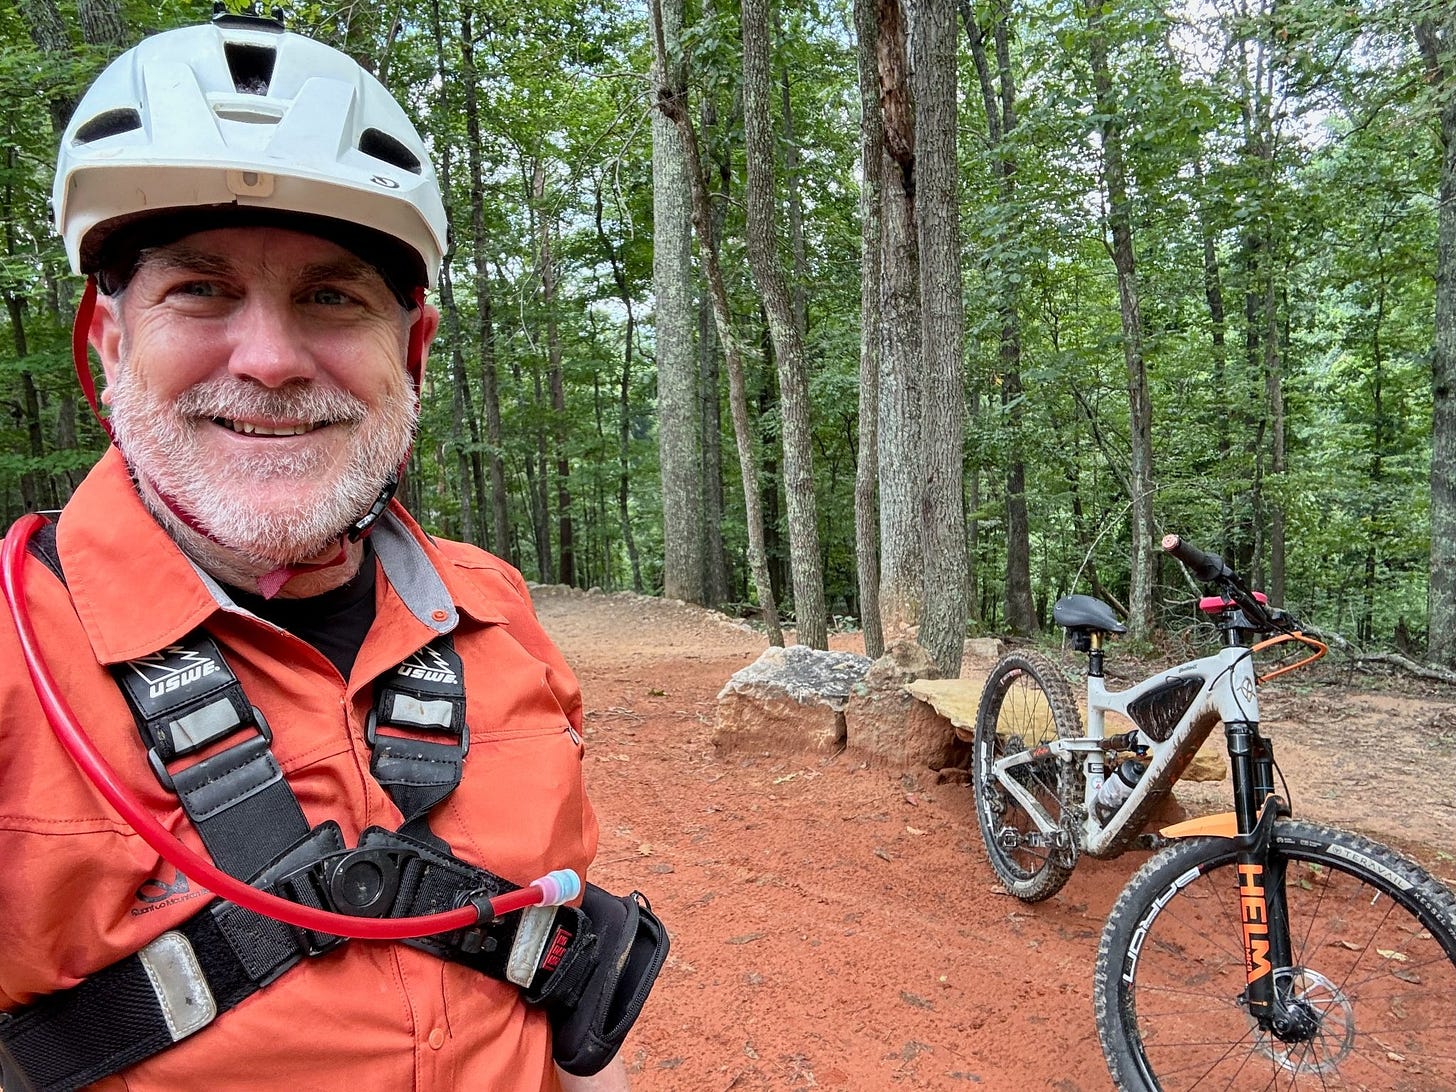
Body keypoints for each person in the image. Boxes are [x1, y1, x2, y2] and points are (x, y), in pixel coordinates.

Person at [0, 12, 660, 1091]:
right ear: (112, 342)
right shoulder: (17, 661)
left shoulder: (490, 607)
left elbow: (552, 968)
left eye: (330, 296)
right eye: (200, 289)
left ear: (411, 350)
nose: (267, 359)